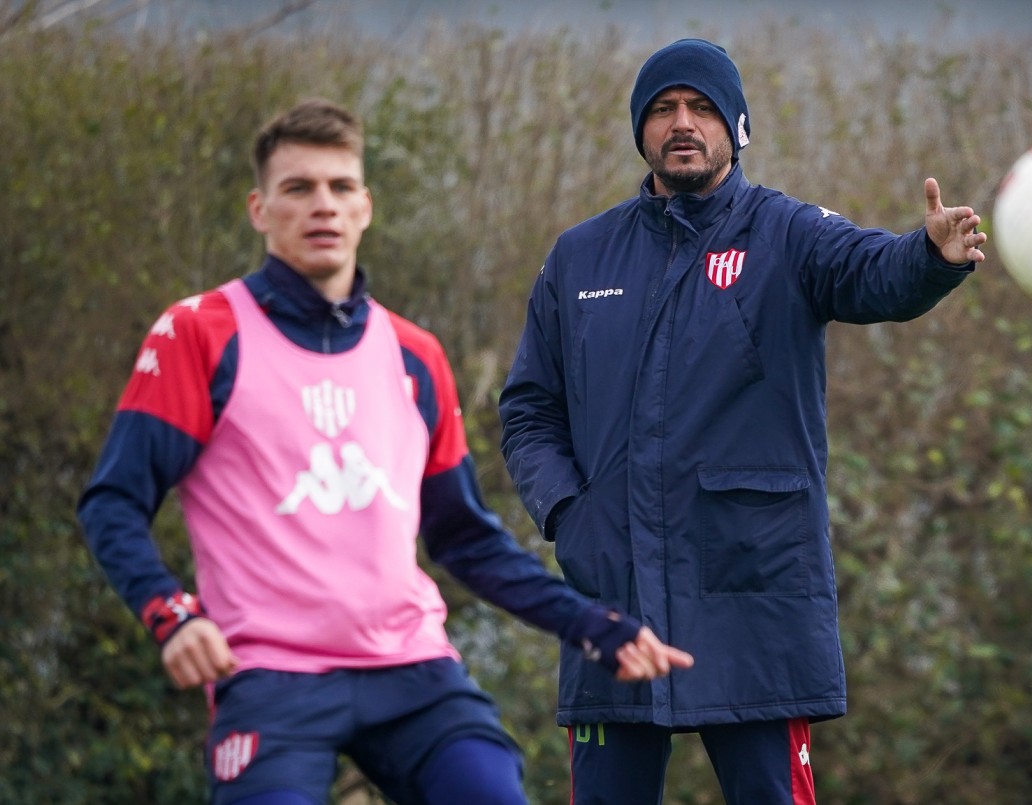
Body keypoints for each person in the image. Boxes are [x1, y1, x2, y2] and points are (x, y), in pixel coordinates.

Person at [76, 98, 692, 805]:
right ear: (258, 209)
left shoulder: (415, 354)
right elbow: (113, 502)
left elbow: (465, 539)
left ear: (365, 206)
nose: (323, 206)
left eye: (340, 187)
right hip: (271, 677)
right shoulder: (201, 334)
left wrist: (594, 625)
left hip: (411, 671)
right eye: (298, 188)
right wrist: (171, 614)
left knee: (490, 788)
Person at [496, 37, 987, 804]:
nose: (682, 123)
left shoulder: (788, 233)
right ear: (641, 130)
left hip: (752, 589)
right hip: (614, 589)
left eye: (701, 107)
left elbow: (872, 274)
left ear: (738, 125)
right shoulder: (580, 258)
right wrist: (569, 510)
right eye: (663, 110)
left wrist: (929, 257)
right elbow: (528, 409)